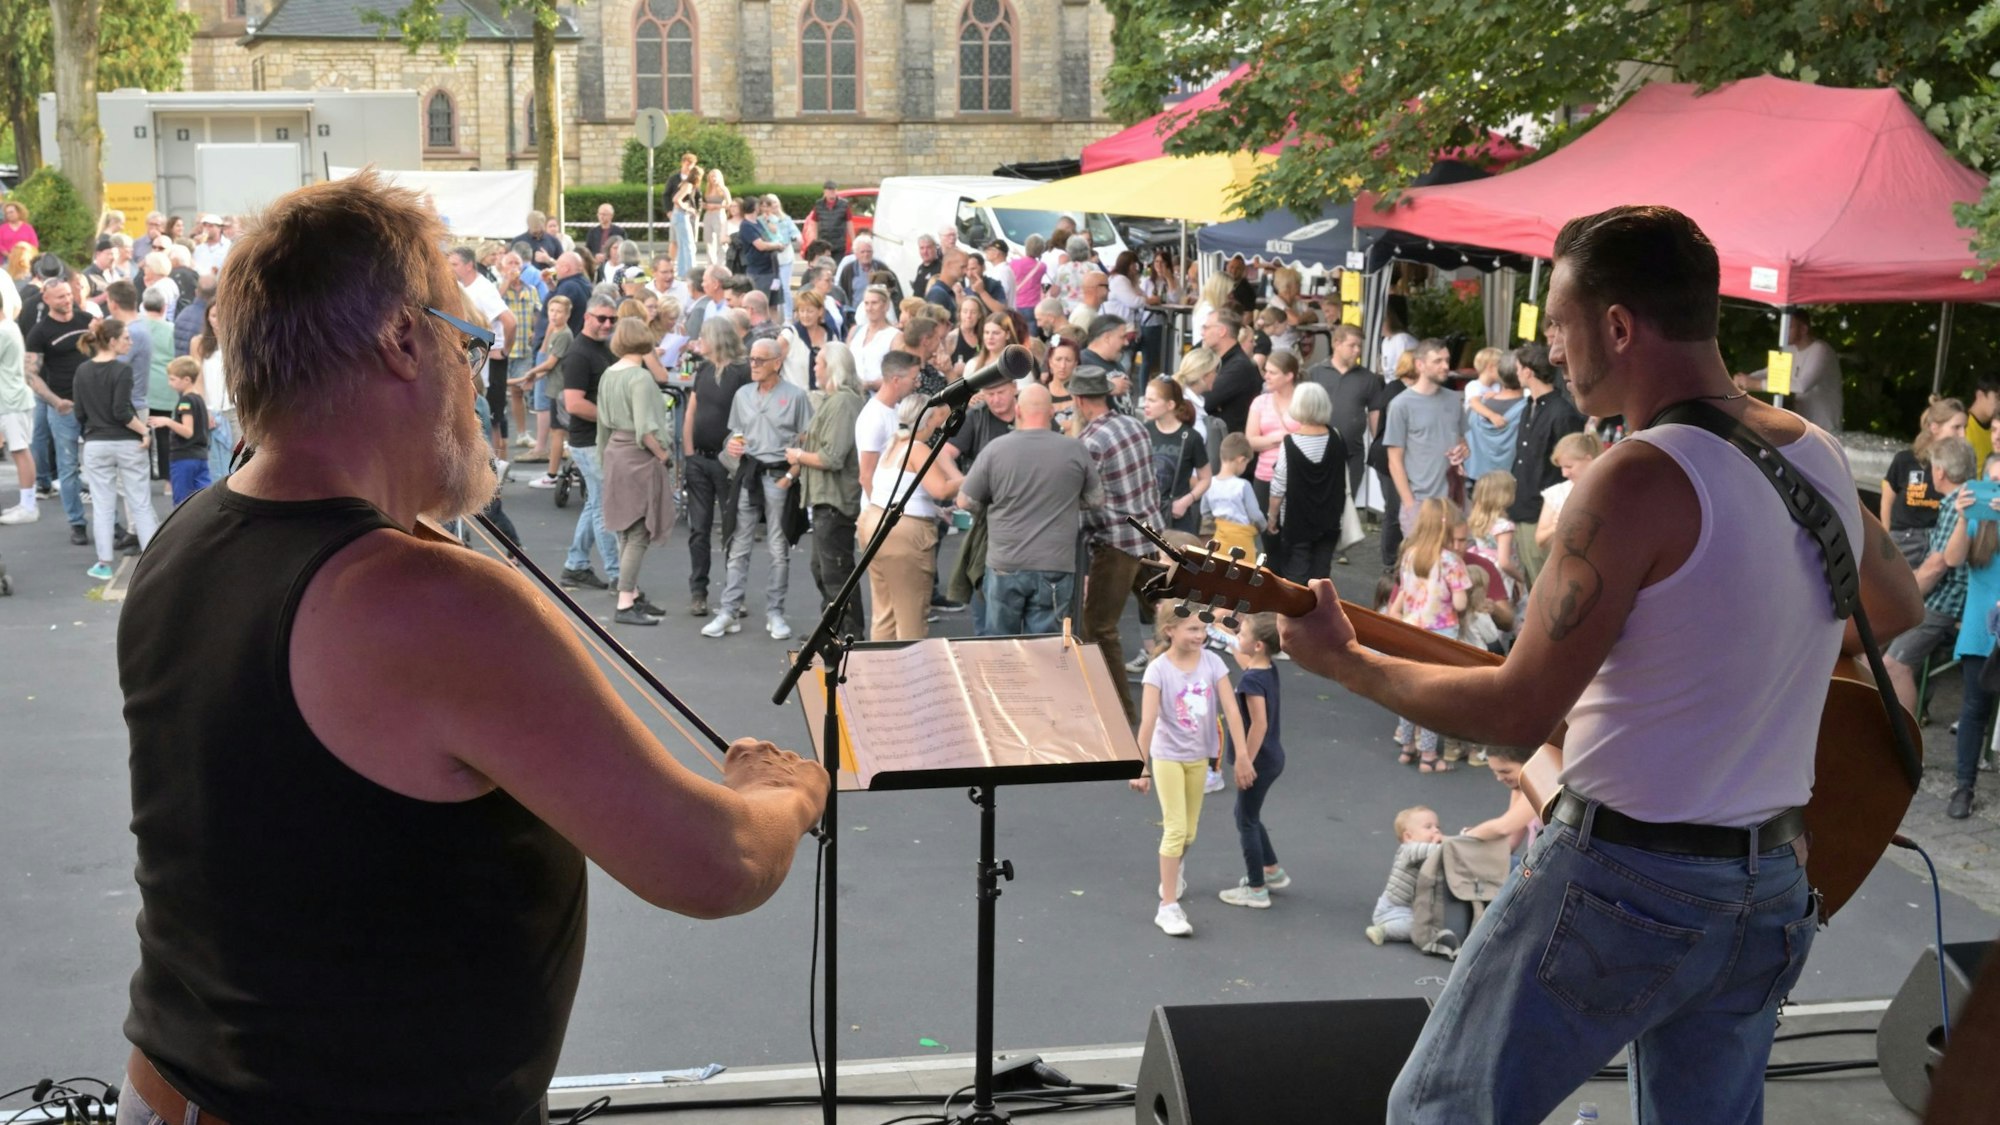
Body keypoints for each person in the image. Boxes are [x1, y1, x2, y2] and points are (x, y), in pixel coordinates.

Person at [112, 172, 828, 1125]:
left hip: (179, 1092)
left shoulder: (186, 536)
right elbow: (711, 862)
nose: (472, 381)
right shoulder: (425, 597)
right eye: (468, 345)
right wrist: (783, 791)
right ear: (404, 341)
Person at [1278, 205, 1922, 1123]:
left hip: (1626, 874)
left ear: (1617, 325)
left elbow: (1514, 709)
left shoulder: (1630, 480)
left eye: (1562, 324)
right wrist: (1752, 658)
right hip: (1775, 877)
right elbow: (1894, 605)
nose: (1552, 348)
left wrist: (1345, 662)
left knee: (1438, 1112)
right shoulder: (1809, 450)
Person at [1129, 613, 1250, 938]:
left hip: (1198, 756)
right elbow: (1149, 720)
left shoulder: (1212, 663)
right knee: (1176, 829)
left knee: (1190, 834)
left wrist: (1242, 756)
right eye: (1193, 629)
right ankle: (1167, 906)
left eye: (1203, 629)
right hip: (1167, 756)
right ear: (1170, 630)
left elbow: (1233, 710)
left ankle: (1173, 870)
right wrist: (1141, 766)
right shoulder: (1159, 670)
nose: (1200, 635)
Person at [957, 383, 1099, 636]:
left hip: (1005, 560)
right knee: (1046, 648)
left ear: (1018, 411)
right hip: (1055, 563)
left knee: (1001, 647)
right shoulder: (1075, 450)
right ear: (1052, 412)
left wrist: (993, 507)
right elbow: (1096, 499)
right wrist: (1063, 502)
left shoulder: (995, 449)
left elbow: (965, 501)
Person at [708, 337, 812, 641]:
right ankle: (729, 611)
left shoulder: (795, 397)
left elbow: (807, 441)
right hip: (749, 473)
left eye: (759, 360)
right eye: (751, 359)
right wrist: (732, 446)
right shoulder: (743, 395)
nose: (752, 365)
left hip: (779, 474)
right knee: (738, 544)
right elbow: (735, 435)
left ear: (777, 363)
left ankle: (775, 613)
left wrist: (791, 476)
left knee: (779, 548)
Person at [1075, 365, 1160, 725]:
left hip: (1115, 545)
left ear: (1079, 401)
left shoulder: (1090, 443)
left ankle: (1121, 716)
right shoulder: (1135, 424)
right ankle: (1177, 698)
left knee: (1098, 627)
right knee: (1165, 618)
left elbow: (1088, 503)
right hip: (1150, 535)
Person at [1883, 436, 1978, 716]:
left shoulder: (1954, 505)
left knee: (1895, 665)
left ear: (1940, 472)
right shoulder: (1967, 497)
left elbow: (1938, 566)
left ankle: (1906, 743)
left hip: (1947, 601)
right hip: (1949, 597)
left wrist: (1902, 596)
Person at [596, 315, 678, 625]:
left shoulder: (608, 374)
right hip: (639, 455)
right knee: (638, 532)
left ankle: (632, 594)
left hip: (616, 452)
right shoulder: (640, 378)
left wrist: (605, 460)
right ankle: (626, 601)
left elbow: (602, 426)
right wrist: (664, 455)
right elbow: (646, 429)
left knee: (625, 530)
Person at [857, 396, 962, 640]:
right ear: (926, 420)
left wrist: (935, 510)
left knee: (885, 611)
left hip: (873, 522)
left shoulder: (894, 444)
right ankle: (908, 672)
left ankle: (880, 672)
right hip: (904, 535)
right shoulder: (917, 448)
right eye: (937, 416)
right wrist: (974, 477)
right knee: (911, 615)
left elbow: (904, 488)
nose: (940, 421)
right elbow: (942, 489)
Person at [785, 340, 867, 640]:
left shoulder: (843, 403)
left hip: (835, 501)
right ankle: (831, 633)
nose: (814, 368)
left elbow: (832, 457)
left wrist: (797, 457)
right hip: (825, 499)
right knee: (824, 569)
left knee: (836, 573)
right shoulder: (837, 401)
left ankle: (848, 637)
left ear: (831, 367)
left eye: (818, 362)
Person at [1386, 499, 1471, 772]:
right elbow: (1459, 604)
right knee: (1432, 697)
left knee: (1409, 691)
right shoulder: (1451, 562)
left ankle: (1407, 746)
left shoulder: (1410, 554)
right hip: (1440, 634)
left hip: (1411, 629)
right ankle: (1428, 755)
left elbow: (1403, 591)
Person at [73, 318, 158, 579]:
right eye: (125, 338)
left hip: (95, 442)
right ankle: (154, 563)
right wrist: (144, 430)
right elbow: (121, 411)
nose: (129, 342)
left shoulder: (82, 371)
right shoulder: (123, 371)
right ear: (112, 341)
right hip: (126, 442)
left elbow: (79, 413)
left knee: (102, 505)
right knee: (140, 502)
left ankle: (103, 563)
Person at [1216, 613, 1290, 910]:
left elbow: (1258, 724)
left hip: (1259, 761)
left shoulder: (1251, 681)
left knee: (1245, 820)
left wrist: (1245, 761)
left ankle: (1256, 888)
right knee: (1247, 814)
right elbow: (1245, 660)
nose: (1238, 637)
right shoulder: (1265, 669)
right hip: (1272, 757)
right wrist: (1223, 634)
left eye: (1242, 634)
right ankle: (1271, 870)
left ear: (1258, 644)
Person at [680, 316, 752, 615]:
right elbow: (691, 411)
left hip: (727, 463)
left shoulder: (741, 372)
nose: (700, 343)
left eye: (704, 337)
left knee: (732, 528)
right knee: (700, 529)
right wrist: (688, 452)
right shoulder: (704, 369)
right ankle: (699, 591)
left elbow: (748, 415)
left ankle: (734, 593)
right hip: (700, 458)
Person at [23, 270, 100, 544]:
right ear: (46, 298)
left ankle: (109, 523)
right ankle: (77, 524)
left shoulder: (86, 320)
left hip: (94, 407)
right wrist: (56, 402)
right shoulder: (40, 332)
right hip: (64, 407)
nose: (67, 300)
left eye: (69, 295)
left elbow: (107, 352)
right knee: (68, 467)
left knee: (100, 466)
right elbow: (31, 374)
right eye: (60, 297)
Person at [1505, 341, 1585, 589]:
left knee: (1545, 585)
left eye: (1518, 368)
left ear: (1528, 371)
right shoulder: (1527, 408)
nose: (1516, 373)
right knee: (1529, 581)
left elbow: (1571, 467)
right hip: (1521, 506)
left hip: (1542, 513)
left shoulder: (1562, 413)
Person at [559, 297, 623, 590]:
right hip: (587, 442)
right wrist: (613, 419)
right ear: (587, 317)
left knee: (595, 504)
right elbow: (574, 404)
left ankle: (576, 565)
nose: (607, 324)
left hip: (597, 440)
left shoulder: (603, 348)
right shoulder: (579, 354)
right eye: (601, 318)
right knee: (603, 508)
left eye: (612, 320)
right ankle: (619, 575)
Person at [1267, 382, 1348, 584]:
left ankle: (1294, 616)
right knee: (1321, 577)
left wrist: (1272, 517)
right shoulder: (1336, 436)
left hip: (1297, 522)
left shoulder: (1290, 443)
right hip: (1329, 519)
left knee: (1296, 577)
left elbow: (1278, 486)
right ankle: (1319, 613)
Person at [1384, 339, 1466, 537]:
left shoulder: (1454, 400)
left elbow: (1462, 441)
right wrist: (1411, 506)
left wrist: (1463, 451)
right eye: (1438, 361)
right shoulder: (1400, 405)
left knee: (1453, 565)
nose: (1446, 366)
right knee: (1421, 565)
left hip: (1454, 500)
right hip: (1422, 502)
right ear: (1419, 365)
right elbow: (1394, 461)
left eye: (1447, 360)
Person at [1882, 397, 1967, 567]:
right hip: (1905, 538)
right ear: (1934, 427)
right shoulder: (1905, 460)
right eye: (1956, 427)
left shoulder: (1959, 465)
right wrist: (1886, 537)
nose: (1962, 434)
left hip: (1939, 539)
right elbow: (1887, 501)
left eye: (1965, 428)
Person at [1738, 310, 1843, 435]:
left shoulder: (1821, 350)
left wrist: (1757, 384)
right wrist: (1745, 379)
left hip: (1825, 427)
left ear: (1803, 329)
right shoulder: (1790, 350)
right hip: (1805, 424)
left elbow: (1802, 385)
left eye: (1790, 327)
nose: (1783, 332)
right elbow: (1771, 371)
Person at [1365, 807, 1451, 947]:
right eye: (1428, 827)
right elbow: (1440, 851)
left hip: (1409, 907)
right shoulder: (1409, 850)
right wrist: (1454, 844)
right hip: (1392, 909)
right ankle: (1383, 930)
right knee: (1418, 927)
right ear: (1409, 837)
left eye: (1437, 827)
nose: (1436, 830)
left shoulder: (1425, 852)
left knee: (1426, 921)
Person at [1311, 324, 1376, 500]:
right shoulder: (1315, 373)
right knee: (1319, 502)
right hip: (1318, 451)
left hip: (1352, 454)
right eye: (1352, 345)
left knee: (1347, 505)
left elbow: (1374, 415)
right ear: (1336, 344)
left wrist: (1377, 446)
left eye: (1360, 346)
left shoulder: (1368, 378)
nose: (1357, 351)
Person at [1141, 377, 1210, 536]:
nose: (1146, 404)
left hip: (1175, 515)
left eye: (1152, 400)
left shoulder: (1191, 437)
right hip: (1147, 512)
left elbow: (1205, 478)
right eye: (1145, 399)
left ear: (1170, 405)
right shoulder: (1144, 430)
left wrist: (1186, 501)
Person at [524, 294, 573, 488]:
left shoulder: (564, 335)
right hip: (554, 388)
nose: (554, 315)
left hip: (560, 391)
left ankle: (552, 475)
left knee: (558, 433)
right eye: (551, 311)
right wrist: (534, 377)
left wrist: (531, 373)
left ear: (568, 314)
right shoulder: (555, 331)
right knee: (563, 432)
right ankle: (572, 470)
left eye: (559, 311)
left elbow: (551, 363)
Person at [147, 356, 211, 506]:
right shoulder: (199, 399)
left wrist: (168, 421)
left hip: (184, 457)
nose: (170, 384)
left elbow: (187, 431)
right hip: (201, 456)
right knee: (204, 501)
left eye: (173, 379)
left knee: (181, 503)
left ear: (187, 379)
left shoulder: (185, 401)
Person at [1459, 743, 1540, 858]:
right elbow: (1511, 841)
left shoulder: (1541, 787)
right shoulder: (1519, 788)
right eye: (1494, 771)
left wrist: (1465, 837)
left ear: (1531, 763)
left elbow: (1504, 827)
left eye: (1505, 772)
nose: (1499, 778)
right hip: (1536, 862)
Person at [188, 297, 235, 484]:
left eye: (221, 315)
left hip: (235, 408)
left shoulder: (238, 340)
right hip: (211, 409)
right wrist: (204, 409)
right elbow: (197, 378)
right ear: (208, 318)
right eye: (214, 315)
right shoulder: (198, 343)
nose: (218, 320)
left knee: (239, 459)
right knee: (214, 462)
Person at [1532, 432, 1602, 555]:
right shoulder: (1557, 493)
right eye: (1562, 467)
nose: (1564, 474)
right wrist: (1557, 526)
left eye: (1569, 467)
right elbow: (1540, 540)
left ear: (1588, 459)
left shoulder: (1608, 488)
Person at [1464, 350, 1526, 479]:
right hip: (1511, 478)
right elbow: (1473, 402)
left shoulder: (1483, 401)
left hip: (1478, 476)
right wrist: (1492, 415)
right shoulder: (1528, 409)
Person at [1202, 433, 1264, 558]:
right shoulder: (1243, 485)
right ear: (1241, 460)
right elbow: (1255, 515)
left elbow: (1205, 512)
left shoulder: (1210, 483)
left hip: (1220, 539)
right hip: (1242, 540)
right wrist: (1263, 526)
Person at [0, 280, 32, 524]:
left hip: (11, 401)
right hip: (9, 400)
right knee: (17, 450)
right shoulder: (9, 327)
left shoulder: (4, 331)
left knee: (19, 451)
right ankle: (25, 502)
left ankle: (28, 505)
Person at [1200, 310, 1261, 435]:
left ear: (1222, 331)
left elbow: (1204, 401)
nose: (1202, 333)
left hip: (1230, 446)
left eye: (1206, 327)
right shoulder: (1217, 360)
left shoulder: (1239, 367)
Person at [1464, 471, 1522, 599]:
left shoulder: (1477, 520)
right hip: (1502, 574)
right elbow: (1504, 562)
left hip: (1482, 567)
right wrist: (1520, 579)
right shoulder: (1504, 526)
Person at [666, 155, 702, 278]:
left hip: (678, 216)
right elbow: (676, 199)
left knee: (682, 245)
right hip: (681, 215)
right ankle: (692, 273)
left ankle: (683, 273)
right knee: (689, 245)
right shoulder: (689, 185)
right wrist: (687, 208)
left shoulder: (685, 183)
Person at [809, 180, 852, 254]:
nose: (832, 192)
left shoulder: (844, 205)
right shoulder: (818, 205)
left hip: (839, 245)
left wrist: (853, 241)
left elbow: (849, 223)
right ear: (824, 191)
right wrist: (815, 240)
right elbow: (814, 222)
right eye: (830, 190)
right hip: (823, 245)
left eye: (834, 190)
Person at [701, 170, 732, 268]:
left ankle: (722, 264)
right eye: (711, 176)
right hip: (708, 215)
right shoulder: (707, 189)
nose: (713, 178)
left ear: (719, 177)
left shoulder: (723, 189)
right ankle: (711, 264)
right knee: (708, 240)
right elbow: (704, 203)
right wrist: (704, 205)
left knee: (721, 240)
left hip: (719, 215)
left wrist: (715, 206)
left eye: (715, 176)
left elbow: (729, 204)